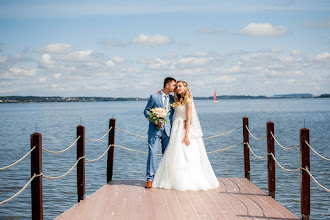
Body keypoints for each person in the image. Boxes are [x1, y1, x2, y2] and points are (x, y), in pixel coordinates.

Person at [152, 81, 219, 191]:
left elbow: (188, 120)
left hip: (183, 130)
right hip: (176, 129)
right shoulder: (177, 100)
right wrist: (159, 93)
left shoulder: (188, 101)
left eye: (180, 86)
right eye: (177, 86)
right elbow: (165, 96)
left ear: (185, 88)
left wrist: (187, 136)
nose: (178, 88)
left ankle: (186, 180)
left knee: (185, 154)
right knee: (174, 154)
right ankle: (172, 178)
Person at [143, 77, 176, 188]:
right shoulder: (154, 96)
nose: (175, 87)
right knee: (152, 153)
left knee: (166, 155)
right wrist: (154, 120)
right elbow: (146, 110)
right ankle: (150, 179)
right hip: (154, 130)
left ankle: (164, 178)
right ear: (167, 85)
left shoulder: (173, 98)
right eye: (173, 85)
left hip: (168, 131)